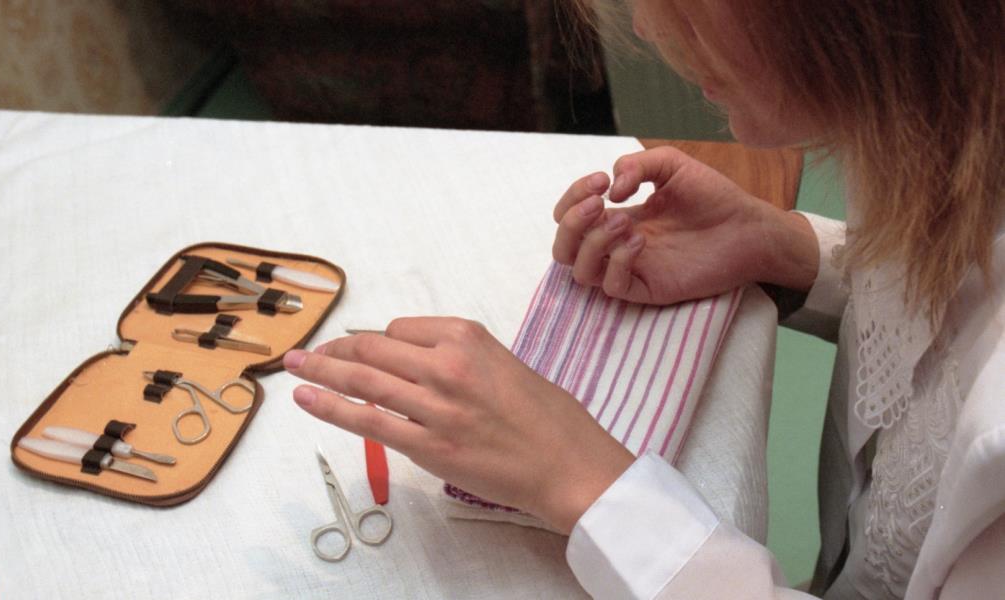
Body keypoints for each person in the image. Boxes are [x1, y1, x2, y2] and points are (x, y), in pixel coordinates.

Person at [282, 1, 1004, 597]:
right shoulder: (938, 126)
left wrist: (585, 483)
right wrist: (791, 251)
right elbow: (967, 301)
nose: (647, 28)